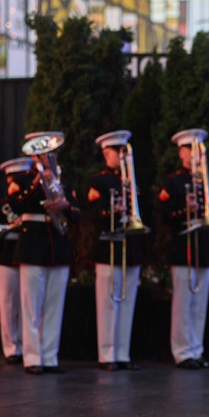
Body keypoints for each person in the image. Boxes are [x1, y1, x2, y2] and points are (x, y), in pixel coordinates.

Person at [10, 132, 79, 375]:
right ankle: (32, 358)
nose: (48, 157)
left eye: (51, 153)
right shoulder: (22, 179)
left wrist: (65, 206)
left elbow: (77, 214)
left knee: (53, 306)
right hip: (32, 246)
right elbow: (15, 205)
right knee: (31, 307)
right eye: (42, 153)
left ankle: (50, 356)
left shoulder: (64, 182)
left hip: (57, 247)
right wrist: (36, 183)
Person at [160, 128, 209, 370]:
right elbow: (166, 216)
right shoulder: (174, 181)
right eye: (192, 150)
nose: (196, 155)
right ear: (182, 152)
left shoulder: (204, 180)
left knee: (200, 302)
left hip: (202, 246)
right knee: (184, 302)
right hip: (183, 245)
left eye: (199, 151)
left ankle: (197, 348)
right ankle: (183, 351)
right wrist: (186, 208)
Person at [86, 130, 143, 371]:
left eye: (122, 152)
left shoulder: (130, 179)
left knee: (127, 301)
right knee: (108, 301)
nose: (119, 157)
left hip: (129, 247)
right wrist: (112, 212)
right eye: (114, 153)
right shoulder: (98, 180)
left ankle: (122, 353)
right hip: (107, 245)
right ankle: (107, 354)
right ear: (105, 153)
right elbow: (92, 214)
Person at [0, 157, 37, 365]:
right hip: (6, 258)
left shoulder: (30, 204)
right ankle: (10, 348)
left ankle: (28, 346)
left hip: (26, 255)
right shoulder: (2, 206)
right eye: (13, 180)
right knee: (8, 304)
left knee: (28, 305)